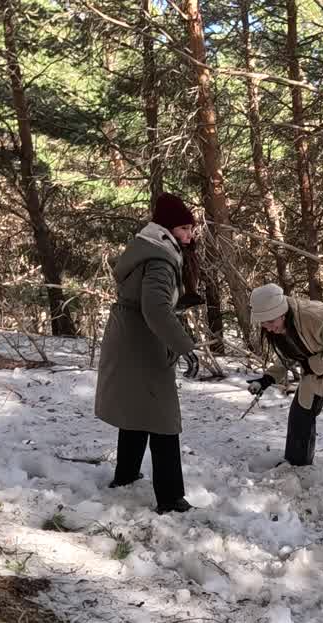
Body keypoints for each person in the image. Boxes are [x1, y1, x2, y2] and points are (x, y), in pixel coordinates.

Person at [94, 193, 201, 513]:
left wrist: (179, 301)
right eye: (184, 228)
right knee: (163, 418)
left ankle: (125, 477)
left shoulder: (149, 248)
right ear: (168, 228)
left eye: (190, 228)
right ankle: (170, 498)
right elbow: (154, 309)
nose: (189, 234)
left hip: (129, 338)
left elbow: (148, 298)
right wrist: (187, 348)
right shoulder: (160, 258)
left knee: (136, 410)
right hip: (142, 342)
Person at [245, 283, 323, 496]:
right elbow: (290, 354)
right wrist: (268, 378)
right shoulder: (282, 325)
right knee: (301, 412)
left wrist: (315, 365)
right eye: (263, 323)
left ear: (281, 312)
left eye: (270, 321)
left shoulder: (316, 316)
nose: (267, 327)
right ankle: (297, 464)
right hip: (319, 368)